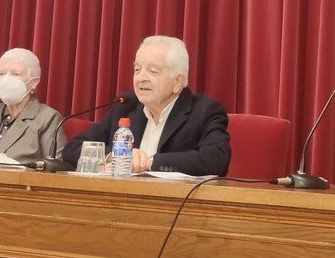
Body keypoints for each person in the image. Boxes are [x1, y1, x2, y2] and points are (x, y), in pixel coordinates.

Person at [62, 36, 231, 176]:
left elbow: (216, 159)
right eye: (137, 69)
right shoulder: (126, 106)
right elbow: (73, 148)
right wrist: (114, 156)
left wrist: (148, 162)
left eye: (152, 71)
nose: (141, 78)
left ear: (177, 82)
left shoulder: (204, 111)